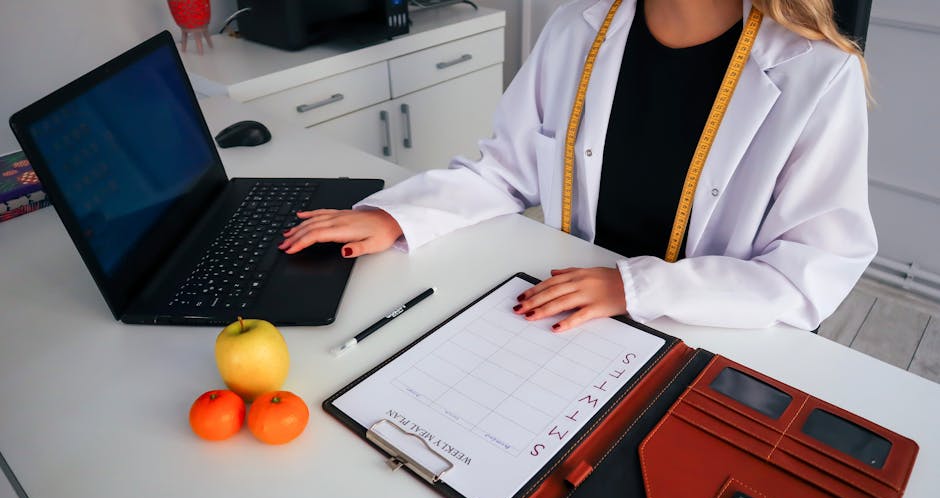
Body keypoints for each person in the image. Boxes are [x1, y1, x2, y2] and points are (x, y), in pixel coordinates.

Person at [279, 0, 876, 332]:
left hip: (711, 330)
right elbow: (506, 170)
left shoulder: (818, 74)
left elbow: (807, 276)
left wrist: (633, 287)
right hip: (571, 318)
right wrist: (396, 217)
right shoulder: (576, 29)